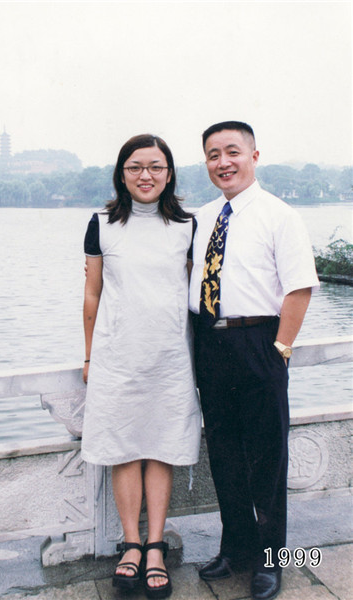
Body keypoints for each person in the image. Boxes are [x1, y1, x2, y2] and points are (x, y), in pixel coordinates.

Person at [189, 121, 320, 600]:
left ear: (253, 155)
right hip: (209, 345)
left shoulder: (278, 214)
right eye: (212, 155)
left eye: (231, 152)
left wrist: (281, 350)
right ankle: (237, 547)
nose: (222, 163)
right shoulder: (202, 217)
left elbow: (299, 288)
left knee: (266, 458)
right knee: (223, 455)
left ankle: (272, 559)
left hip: (259, 342)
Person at [81, 134, 202, 599]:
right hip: (117, 356)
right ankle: (131, 544)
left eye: (155, 166)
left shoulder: (187, 226)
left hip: (171, 358)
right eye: (135, 167)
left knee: (163, 445)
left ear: (169, 173)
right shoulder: (101, 224)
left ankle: (156, 547)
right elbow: (92, 293)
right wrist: (90, 354)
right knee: (125, 446)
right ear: (121, 173)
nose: (145, 175)